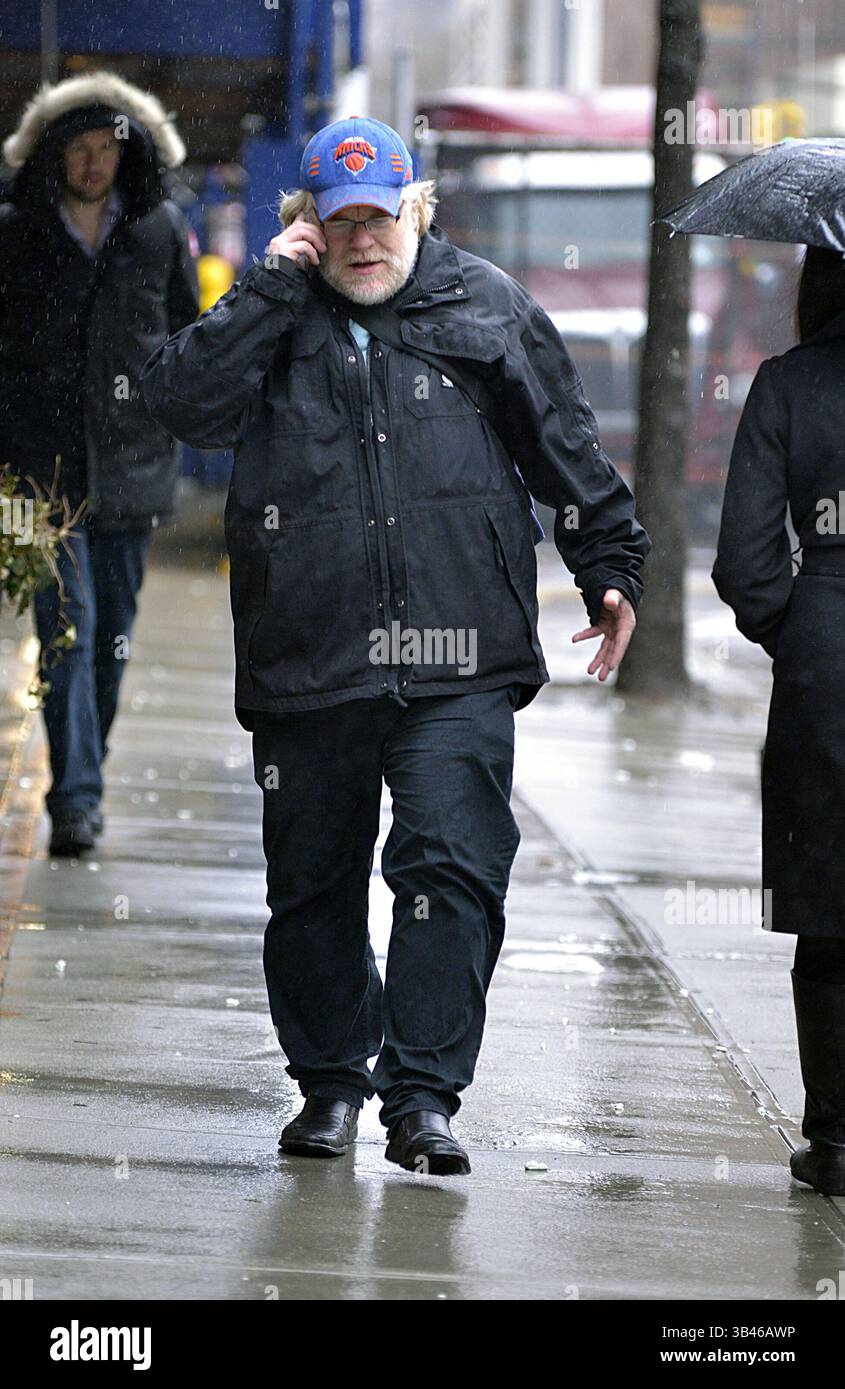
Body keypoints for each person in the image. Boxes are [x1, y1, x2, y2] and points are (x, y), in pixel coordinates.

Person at [141, 115, 651, 1176]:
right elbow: (180, 401)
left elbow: (562, 441)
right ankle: (329, 1083)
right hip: (308, 654)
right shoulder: (274, 311)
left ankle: (422, 1095)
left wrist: (608, 564)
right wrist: (268, 291)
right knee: (312, 882)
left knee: (450, 867)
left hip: (458, 651)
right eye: (340, 223)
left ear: (416, 209)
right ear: (308, 228)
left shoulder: (485, 303)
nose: (363, 241)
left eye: (381, 217)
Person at [0, 71, 198, 855]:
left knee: (112, 634)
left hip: (132, 468)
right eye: (77, 149)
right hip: (34, 474)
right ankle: (76, 799)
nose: (91, 163)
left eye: (106, 149)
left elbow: (187, 336)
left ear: (129, 155)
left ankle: (87, 767)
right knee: (65, 634)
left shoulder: (156, 231)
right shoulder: (14, 232)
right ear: (54, 155)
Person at [713, 244, 845, 1197]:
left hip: (826, 665)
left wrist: (800, 632)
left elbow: (746, 564)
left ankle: (836, 1142)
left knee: (830, 912)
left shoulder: (789, 385)